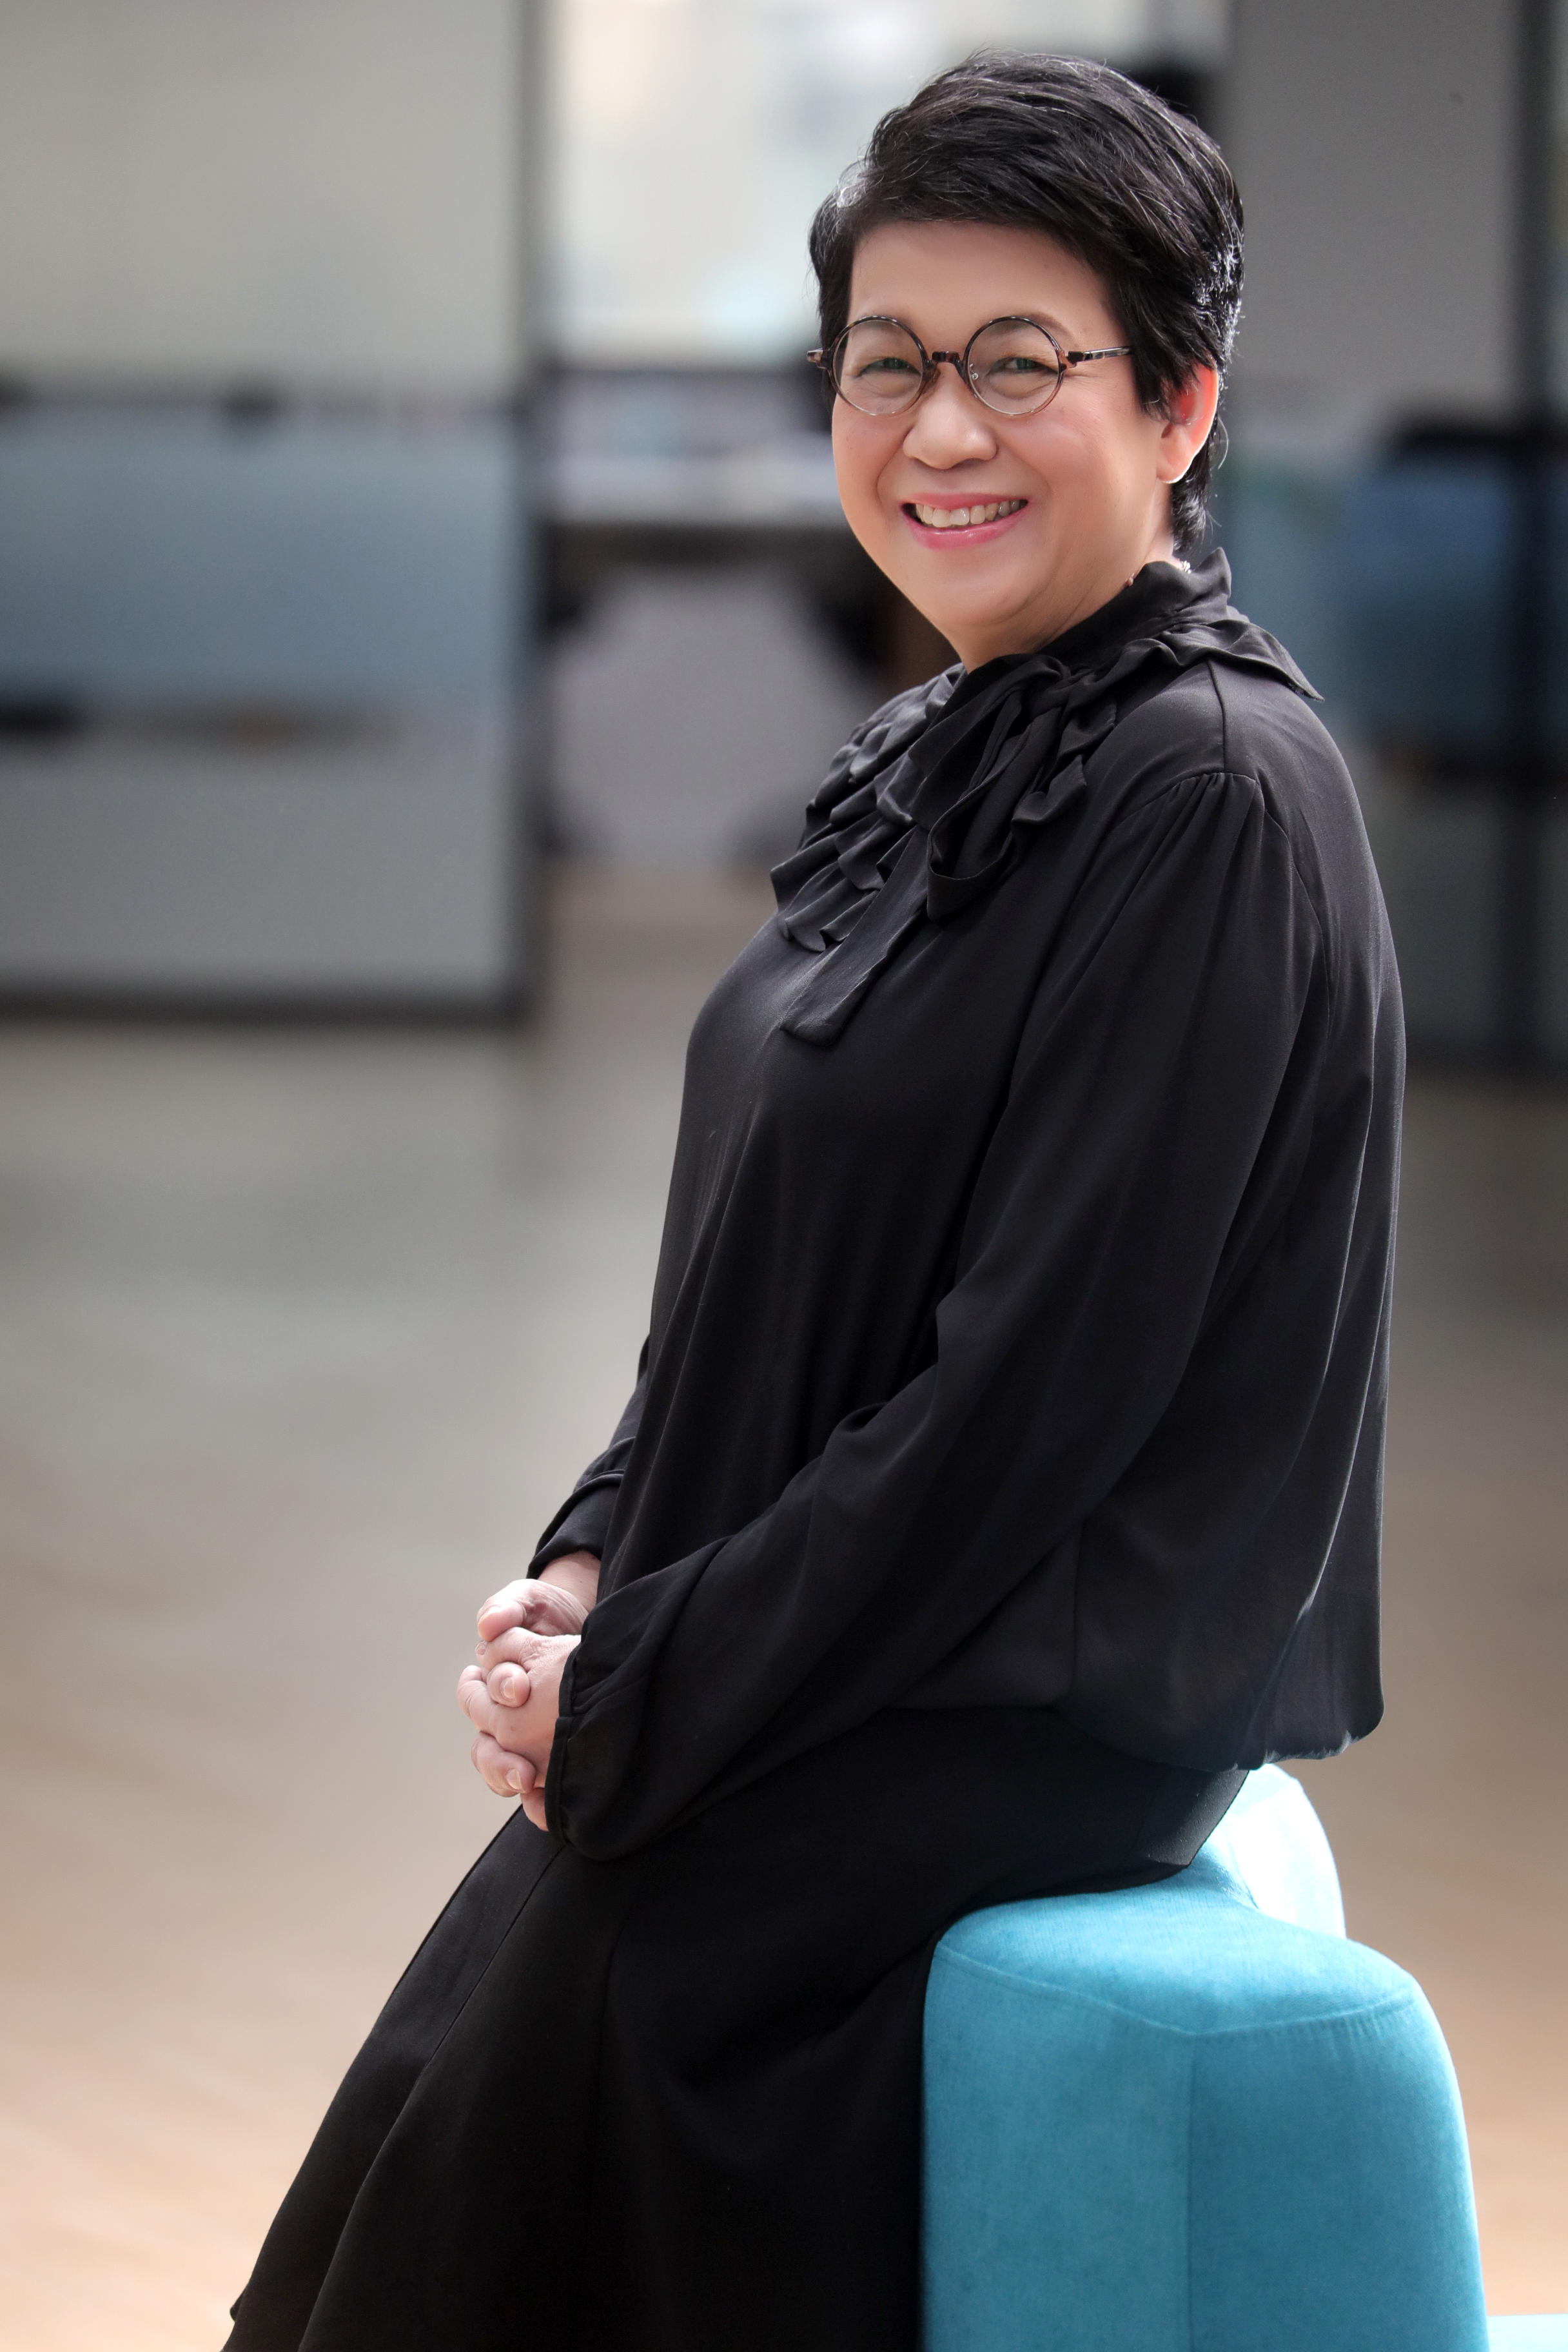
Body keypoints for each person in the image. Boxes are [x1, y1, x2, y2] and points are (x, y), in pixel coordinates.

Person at [226, 52, 1402, 2352]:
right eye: (887, 364)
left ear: (1179, 404)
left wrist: (651, 1683)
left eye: (1020, 364)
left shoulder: (1213, 791)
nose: (940, 429)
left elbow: (1027, 1402)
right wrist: (595, 1560)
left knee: (540, 2096)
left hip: (1010, 1713)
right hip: (848, 1658)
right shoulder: (938, 745)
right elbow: (758, 1266)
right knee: (452, 2097)